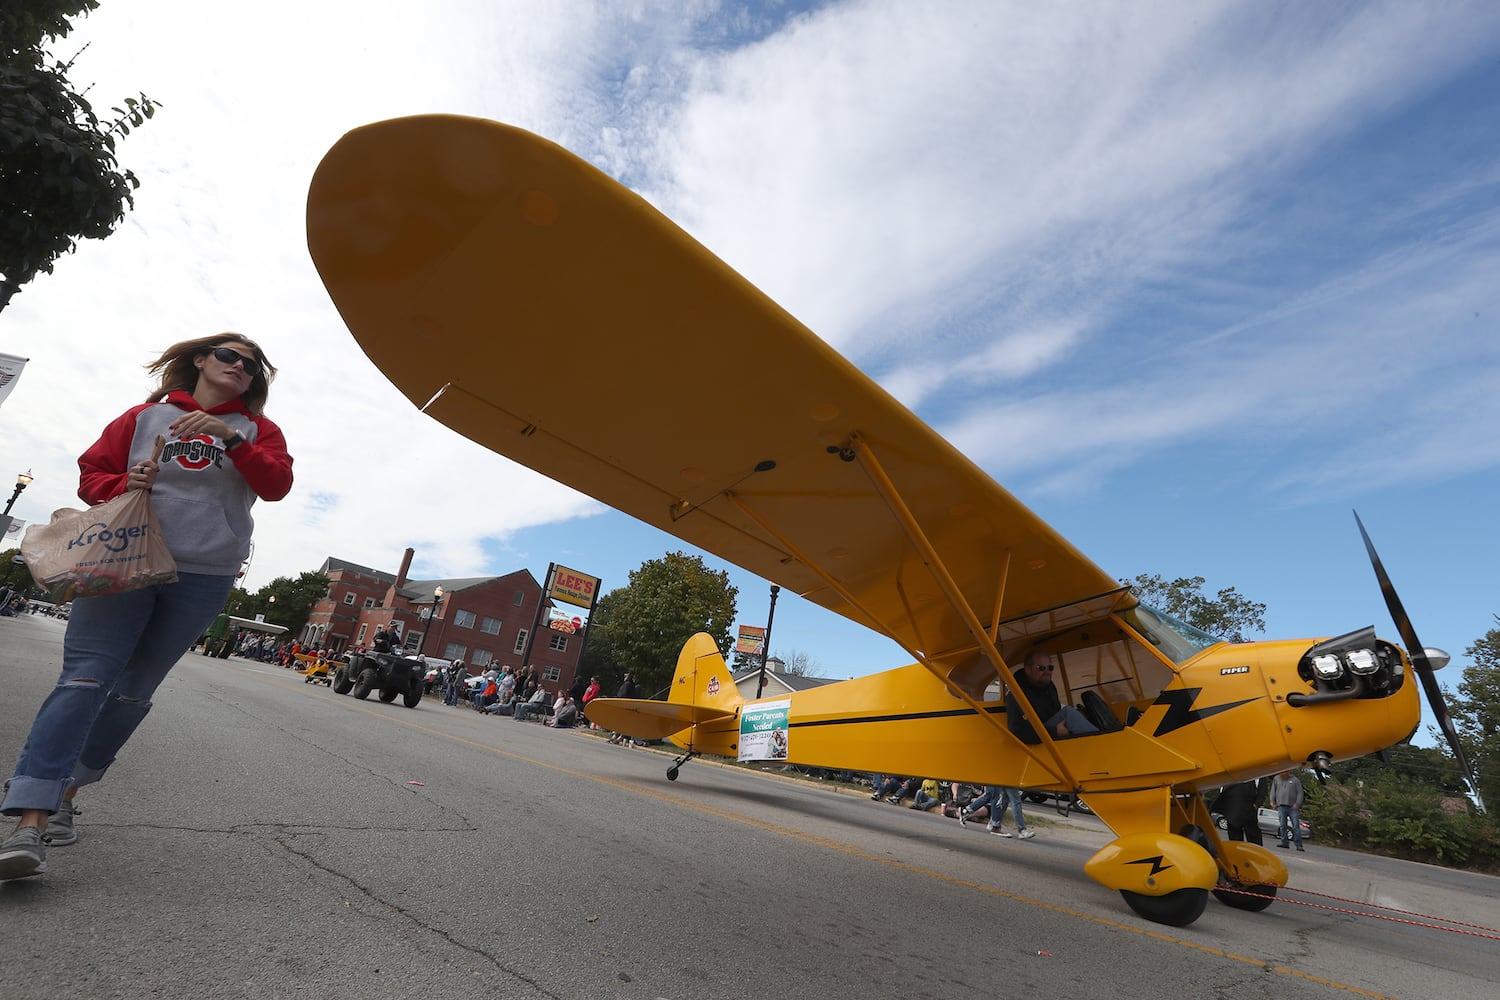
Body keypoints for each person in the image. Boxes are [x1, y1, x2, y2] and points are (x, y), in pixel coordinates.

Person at [0, 334, 291, 882]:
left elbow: (276, 487)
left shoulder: (258, 432)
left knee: (134, 692)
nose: (240, 366)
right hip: (124, 558)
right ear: (201, 360)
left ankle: (66, 792)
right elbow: (93, 477)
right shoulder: (143, 417)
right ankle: (30, 824)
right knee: (84, 680)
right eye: (229, 355)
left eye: (252, 366)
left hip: (204, 575)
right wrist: (122, 482)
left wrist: (232, 439)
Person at [1006, 651, 1100, 745]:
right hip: (1038, 743)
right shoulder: (1016, 695)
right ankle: (1101, 744)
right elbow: (1019, 732)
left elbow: (1056, 712)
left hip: (1049, 736)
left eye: (1050, 668)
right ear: (1028, 669)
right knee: (1068, 713)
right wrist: (1054, 731)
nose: (1047, 672)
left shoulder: (1048, 686)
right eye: (1041, 668)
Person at [1211, 780, 1264, 846]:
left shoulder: (1257, 773)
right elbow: (1224, 788)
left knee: (1252, 832)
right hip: (1233, 806)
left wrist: (1257, 804)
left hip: (1249, 808)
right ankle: (1236, 851)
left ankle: (1256, 852)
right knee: (1234, 831)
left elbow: (1262, 788)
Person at [1270, 769, 1305, 851]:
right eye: (1280, 773)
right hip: (1281, 806)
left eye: (1284, 773)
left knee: (1296, 826)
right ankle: (1284, 842)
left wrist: (1298, 804)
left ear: (1288, 772)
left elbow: (1300, 792)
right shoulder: (1276, 779)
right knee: (1282, 825)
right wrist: (1272, 801)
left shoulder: (1295, 780)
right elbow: (1273, 791)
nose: (1282, 775)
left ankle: (1298, 844)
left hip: (1292, 807)